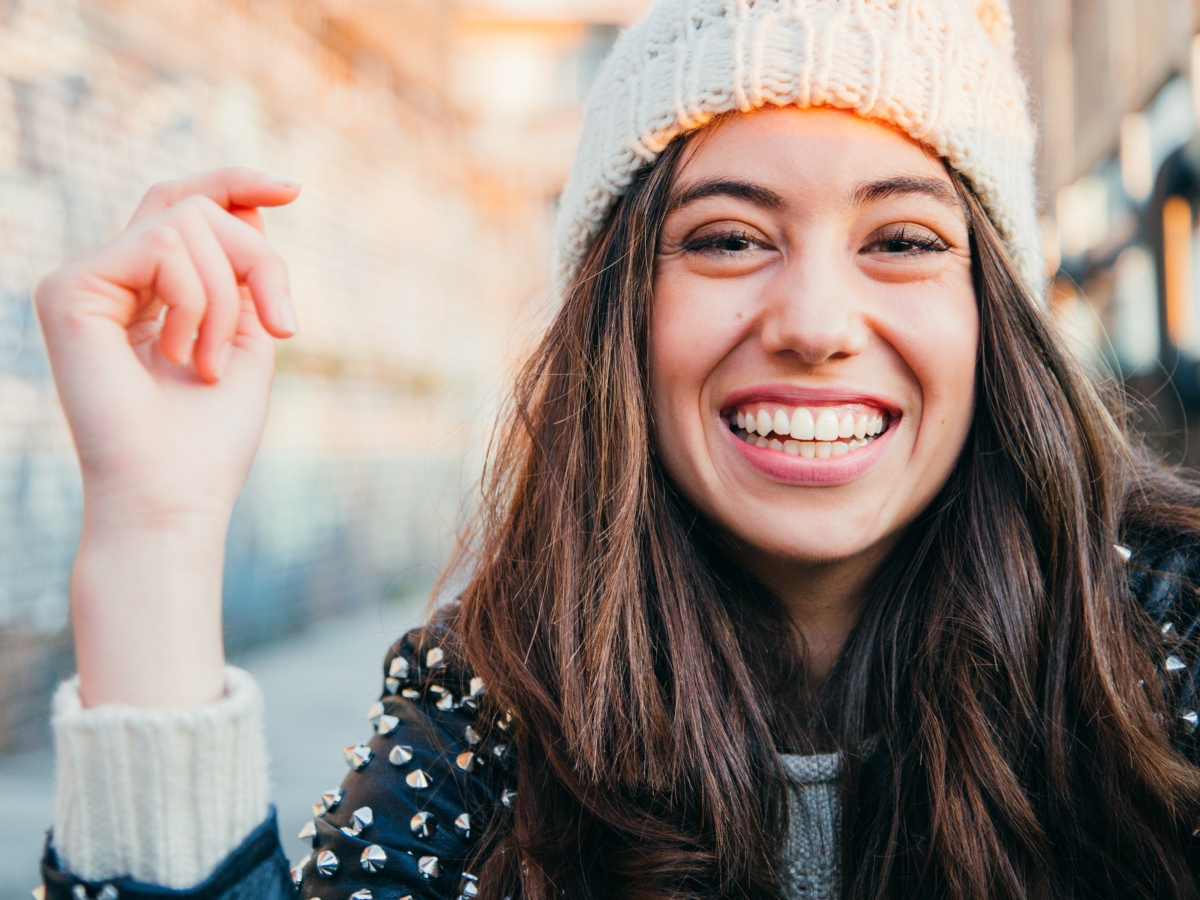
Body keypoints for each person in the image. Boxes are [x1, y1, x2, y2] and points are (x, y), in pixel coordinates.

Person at [31, 0, 1200, 897]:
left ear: (993, 313)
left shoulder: (1168, 637)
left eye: (900, 238)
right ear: (619, 317)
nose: (814, 323)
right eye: (729, 238)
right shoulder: (488, 709)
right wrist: (156, 532)